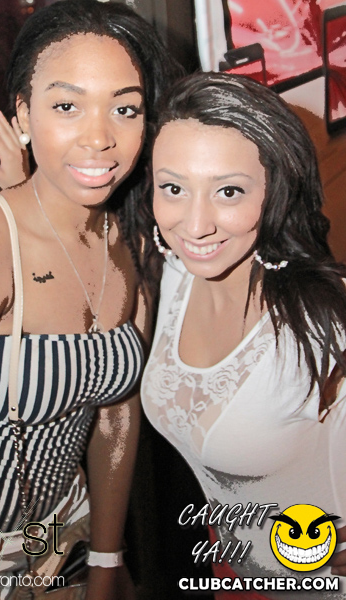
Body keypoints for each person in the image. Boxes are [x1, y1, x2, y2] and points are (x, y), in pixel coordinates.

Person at [0, 2, 181, 599]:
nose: (100, 138)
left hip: (69, 532)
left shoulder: (130, 242)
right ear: (24, 113)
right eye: (67, 106)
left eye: (124, 108)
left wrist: (105, 557)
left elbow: (115, 415)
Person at [141, 72, 346, 598]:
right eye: (173, 188)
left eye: (228, 191)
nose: (195, 225)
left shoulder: (325, 322)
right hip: (228, 568)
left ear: (276, 190)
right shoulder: (175, 272)